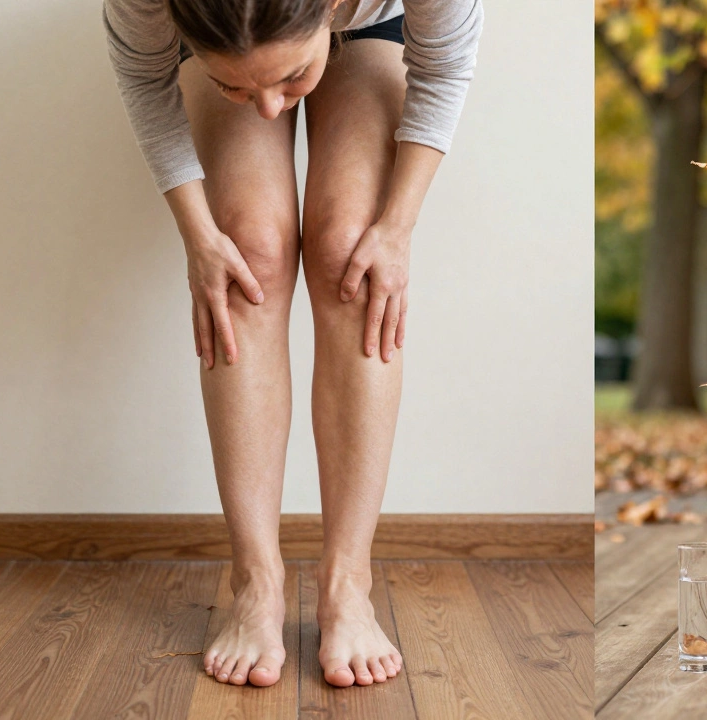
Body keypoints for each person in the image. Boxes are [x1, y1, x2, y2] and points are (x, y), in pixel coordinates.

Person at [102, 0, 481, 688]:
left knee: (354, 259)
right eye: (238, 89)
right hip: (225, 25)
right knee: (248, 252)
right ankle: (257, 582)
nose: (270, 110)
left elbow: (446, 67)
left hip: (374, 30)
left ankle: (348, 584)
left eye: (291, 80)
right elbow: (142, 80)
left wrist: (397, 231)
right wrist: (199, 238)